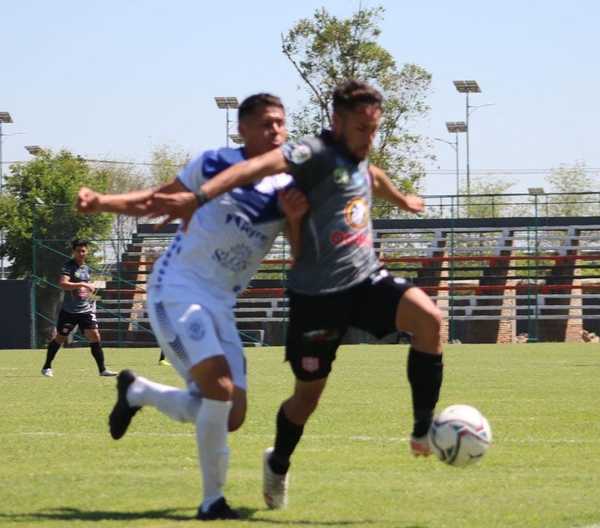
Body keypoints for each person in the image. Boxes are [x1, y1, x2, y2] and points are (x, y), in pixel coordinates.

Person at [143, 80, 444, 510]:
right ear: (336, 121)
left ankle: (421, 428)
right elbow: (253, 169)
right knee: (307, 399)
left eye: (374, 129)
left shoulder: (358, 153)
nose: (368, 137)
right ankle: (279, 462)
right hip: (317, 298)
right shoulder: (311, 153)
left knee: (429, 320)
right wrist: (200, 195)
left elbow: (372, 175)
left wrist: (401, 197)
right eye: (361, 128)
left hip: (365, 279)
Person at [76, 93, 309, 520]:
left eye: (280, 123)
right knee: (218, 391)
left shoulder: (288, 188)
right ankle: (211, 502)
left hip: (220, 304)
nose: (275, 131)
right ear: (241, 129)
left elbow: (301, 258)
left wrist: (295, 219)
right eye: (264, 124)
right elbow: (158, 198)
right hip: (177, 290)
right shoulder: (212, 163)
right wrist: (102, 203)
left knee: (229, 415)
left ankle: (138, 391)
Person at [41, 239, 116, 378]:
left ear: (86, 252)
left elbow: (83, 289)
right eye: (78, 251)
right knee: (60, 338)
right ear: (73, 252)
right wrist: (83, 284)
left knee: (95, 336)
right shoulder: (68, 266)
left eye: (83, 251)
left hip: (85, 310)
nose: (81, 253)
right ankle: (47, 367)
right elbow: (63, 284)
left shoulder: (86, 268)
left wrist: (88, 289)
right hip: (69, 311)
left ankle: (102, 370)